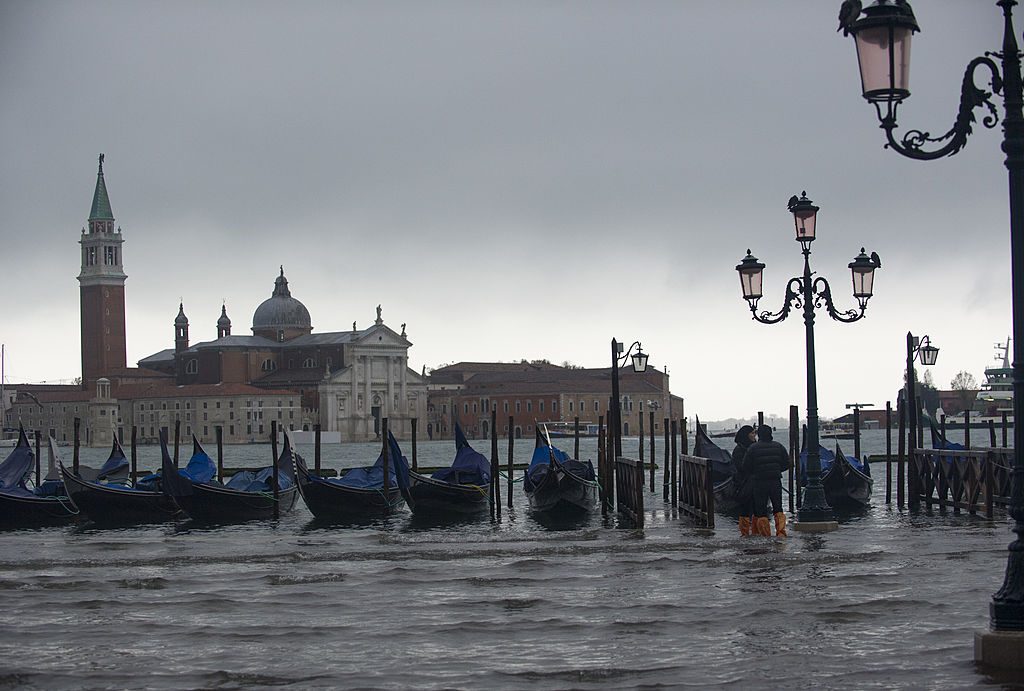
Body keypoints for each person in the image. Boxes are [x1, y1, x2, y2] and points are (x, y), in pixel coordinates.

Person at [743, 425, 791, 537]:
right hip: (775, 480)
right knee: (778, 507)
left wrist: (755, 472)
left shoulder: (753, 448)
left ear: (759, 434)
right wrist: (777, 470)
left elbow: (746, 466)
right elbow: (787, 463)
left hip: (759, 481)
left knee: (761, 510)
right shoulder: (779, 446)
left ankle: (766, 534)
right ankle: (781, 533)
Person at [731, 425, 756, 536]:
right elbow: (740, 467)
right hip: (744, 483)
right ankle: (745, 532)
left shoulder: (754, 447)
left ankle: (757, 532)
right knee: (745, 509)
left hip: (755, 482)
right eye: (752, 433)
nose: (754, 435)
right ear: (746, 435)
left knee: (757, 509)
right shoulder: (739, 450)